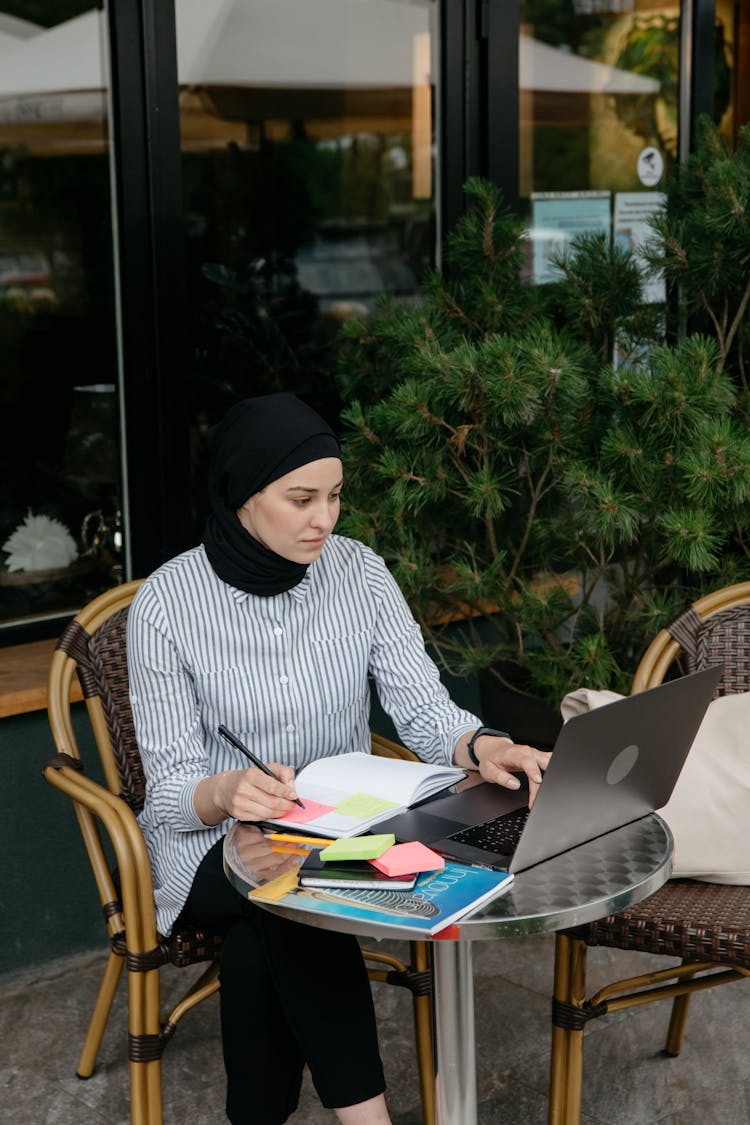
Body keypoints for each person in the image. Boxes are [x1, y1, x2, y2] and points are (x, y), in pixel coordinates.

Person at [127, 392, 551, 1125]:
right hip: (205, 845)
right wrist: (226, 791)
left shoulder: (359, 573)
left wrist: (488, 745)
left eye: (334, 496)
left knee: (269, 928)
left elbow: (424, 709)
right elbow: (166, 792)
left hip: (350, 826)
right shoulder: (166, 604)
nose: (325, 518)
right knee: (293, 895)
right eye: (301, 499)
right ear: (242, 494)